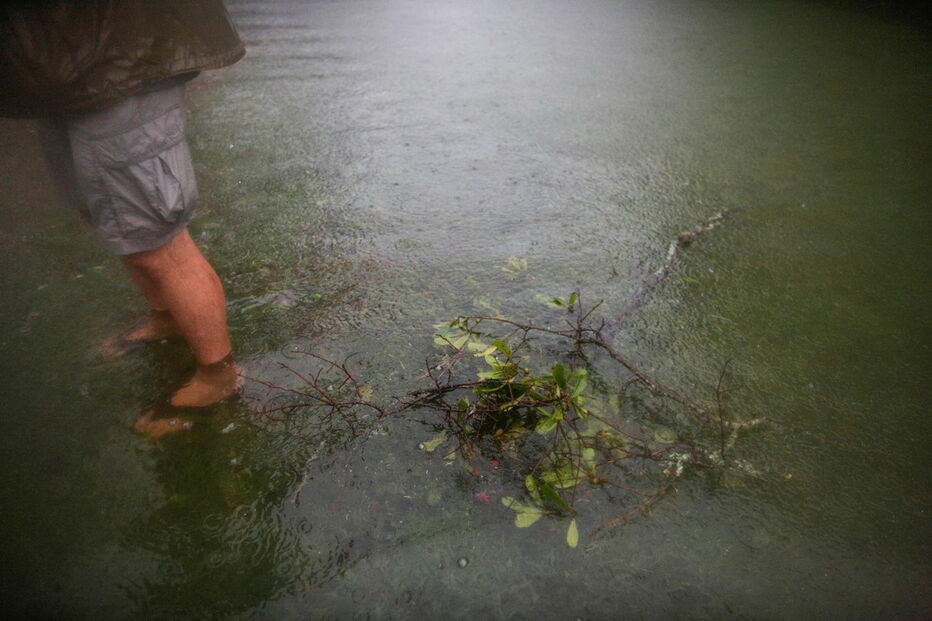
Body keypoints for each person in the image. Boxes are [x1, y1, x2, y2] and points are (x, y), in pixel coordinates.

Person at [0, 1, 245, 407]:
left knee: (159, 242)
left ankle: (218, 375)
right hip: (60, 69)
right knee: (110, 217)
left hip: (119, 61)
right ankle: (166, 318)